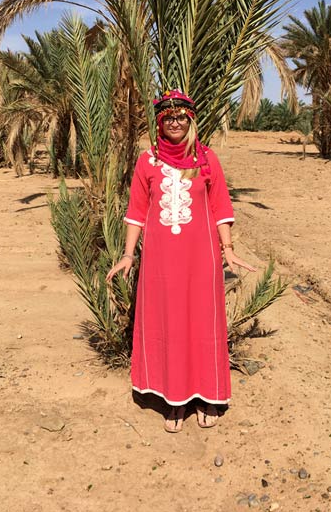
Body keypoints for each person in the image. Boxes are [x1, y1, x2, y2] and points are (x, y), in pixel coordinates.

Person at [106, 90, 254, 433]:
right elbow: (136, 213)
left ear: (191, 121)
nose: (175, 122)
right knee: (168, 324)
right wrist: (129, 254)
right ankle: (175, 401)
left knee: (201, 324)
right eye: (168, 117)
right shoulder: (148, 161)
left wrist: (228, 249)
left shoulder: (207, 160)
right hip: (160, 263)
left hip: (200, 259)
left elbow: (221, 209)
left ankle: (205, 395)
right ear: (160, 122)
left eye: (181, 117)